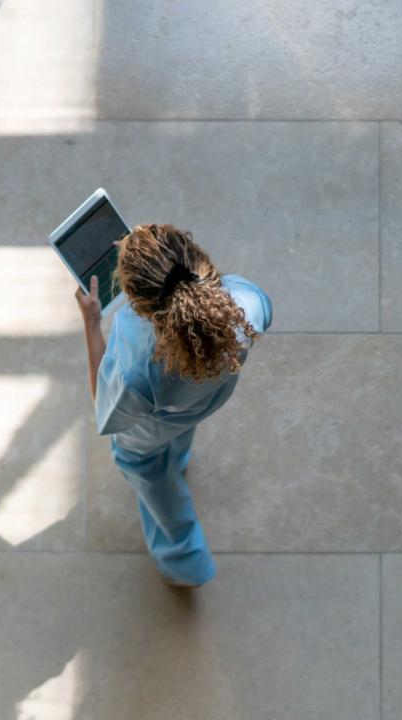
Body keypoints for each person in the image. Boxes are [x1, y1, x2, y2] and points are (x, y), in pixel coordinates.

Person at [74, 224, 272, 587]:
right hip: (204, 402)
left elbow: (107, 409)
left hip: (148, 433)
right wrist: (152, 255)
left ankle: (186, 563)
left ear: (138, 304)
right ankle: (178, 461)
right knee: (179, 435)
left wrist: (92, 323)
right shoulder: (248, 302)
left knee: (154, 482)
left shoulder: (137, 362)